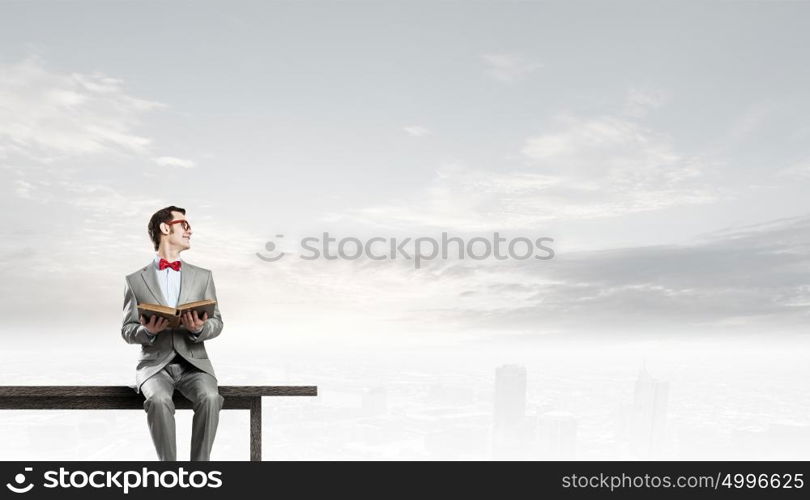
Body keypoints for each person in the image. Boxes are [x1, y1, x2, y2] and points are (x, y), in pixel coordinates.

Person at [121, 205, 224, 461]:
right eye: (183, 224)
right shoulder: (135, 280)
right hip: (154, 366)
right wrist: (146, 331)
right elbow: (127, 330)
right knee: (157, 401)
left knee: (211, 397)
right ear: (165, 228)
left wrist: (199, 328)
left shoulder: (203, 276)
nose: (190, 230)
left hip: (194, 364)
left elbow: (217, 322)